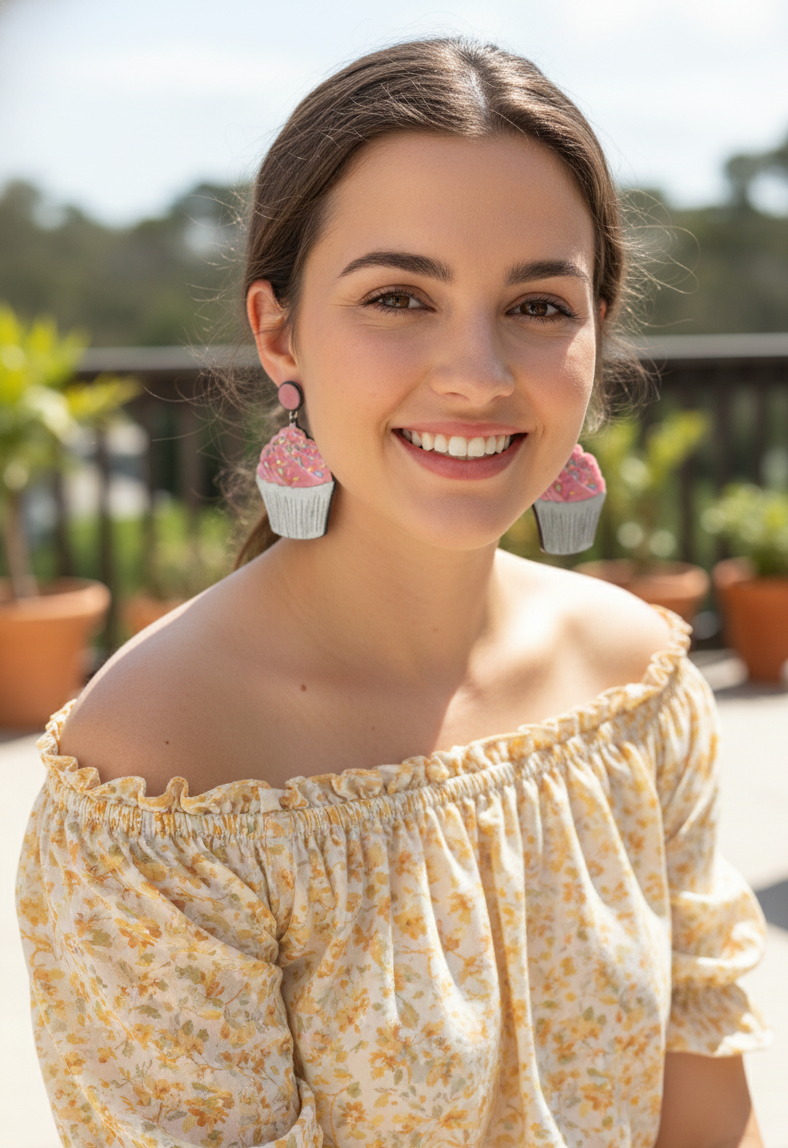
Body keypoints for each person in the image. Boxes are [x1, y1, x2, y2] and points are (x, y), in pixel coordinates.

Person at [16, 37, 770, 1148]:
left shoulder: (639, 689)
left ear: (596, 326)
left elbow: (711, 1123)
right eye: (399, 295)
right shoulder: (160, 772)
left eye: (537, 306)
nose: (476, 371)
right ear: (280, 333)